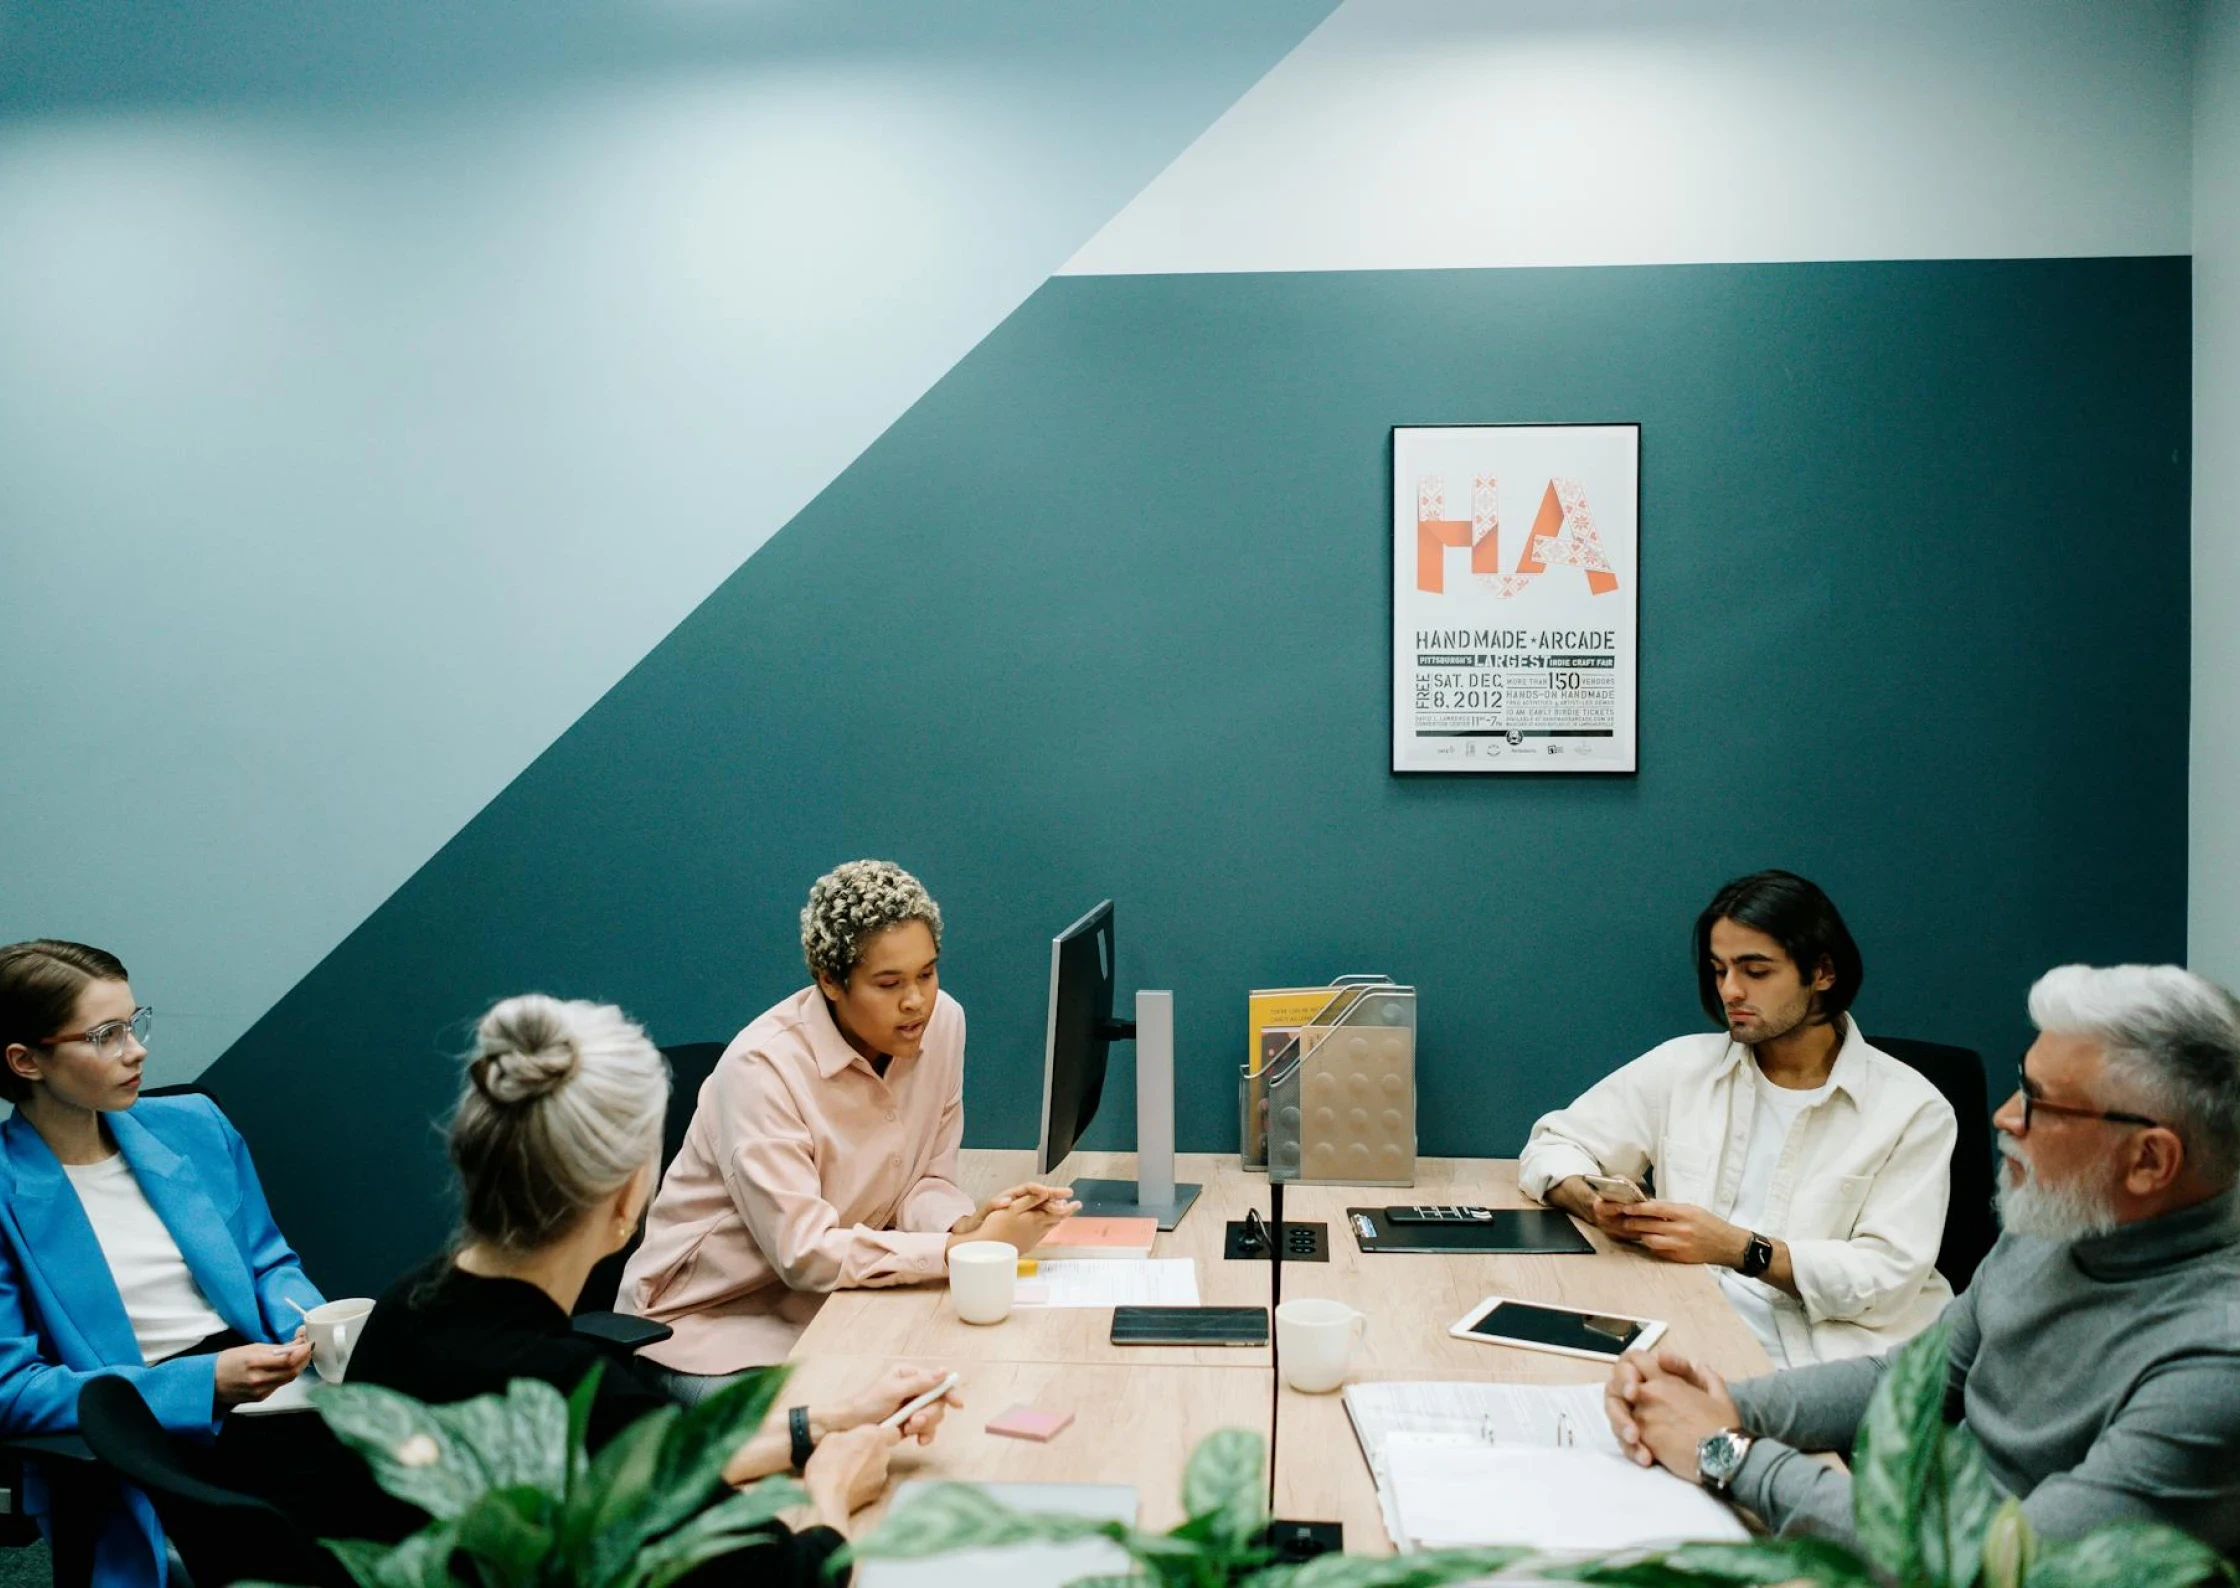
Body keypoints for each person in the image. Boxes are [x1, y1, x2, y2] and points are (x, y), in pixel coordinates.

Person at [1606, 963, 2240, 1550]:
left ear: (2149, 1160)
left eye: (2039, 1101)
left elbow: (1997, 1564)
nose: (2004, 1117)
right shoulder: (2061, 1222)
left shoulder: (2215, 1364)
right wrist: (1723, 1403)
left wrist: (1726, 1453)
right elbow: (1907, 1378)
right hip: (1901, 1526)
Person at [348, 993, 962, 1579]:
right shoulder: (576, 1396)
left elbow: (642, 1476)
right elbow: (787, 1576)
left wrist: (825, 1423)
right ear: (626, 1198)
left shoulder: (402, 1311)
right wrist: (834, 1489)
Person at [621, 860, 1077, 1385]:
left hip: (831, 1308)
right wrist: (957, 1251)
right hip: (703, 1332)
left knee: (968, 1384)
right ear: (830, 982)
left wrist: (964, 1226)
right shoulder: (762, 1070)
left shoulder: (943, 1023)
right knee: (870, 1416)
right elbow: (805, 1253)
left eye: (927, 974)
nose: (916, 1002)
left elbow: (922, 1180)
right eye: (888, 983)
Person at [1519, 871, 1956, 1365]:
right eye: (1719, 970)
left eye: (1755, 971)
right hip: (1688, 1327)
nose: (1730, 991)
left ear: (1823, 972)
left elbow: (1887, 1280)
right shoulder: (1683, 1067)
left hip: (1833, 1362)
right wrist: (1592, 1202)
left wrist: (1742, 1250)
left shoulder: (1913, 1108)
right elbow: (1551, 1144)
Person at [0, 939, 324, 1588]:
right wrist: (204, 1385)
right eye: (106, 1036)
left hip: (261, 1381)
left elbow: (267, 1263)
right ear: (25, 1061)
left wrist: (310, 1324)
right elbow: (12, 1389)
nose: (136, 1050)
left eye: (134, 1023)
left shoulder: (194, 1125)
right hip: (140, 1419)